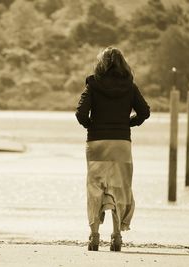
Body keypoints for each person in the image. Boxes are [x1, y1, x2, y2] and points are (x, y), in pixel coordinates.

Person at [75, 46, 150, 251]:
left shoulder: (93, 85)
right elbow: (144, 112)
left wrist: (92, 126)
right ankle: (117, 237)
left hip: (97, 143)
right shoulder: (130, 87)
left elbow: (80, 113)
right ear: (123, 64)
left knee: (95, 187)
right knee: (119, 188)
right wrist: (128, 124)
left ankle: (94, 236)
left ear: (101, 64)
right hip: (121, 143)